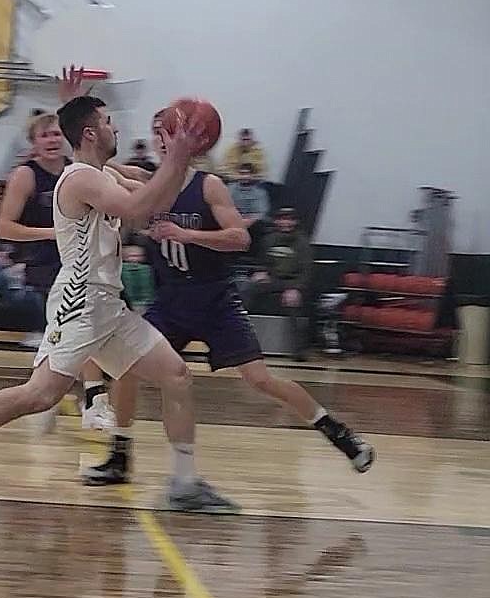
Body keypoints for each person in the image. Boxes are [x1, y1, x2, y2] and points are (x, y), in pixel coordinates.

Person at [0, 94, 239, 514]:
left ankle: (185, 483)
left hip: (108, 304)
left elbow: (156, 200)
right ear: (90, 132)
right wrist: (177, 154)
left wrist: (179, 158)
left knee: (176, 375)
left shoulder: (104, 174)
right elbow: (139, 205)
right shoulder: (80, 178)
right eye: (108, 121)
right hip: (79, 301)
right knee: (40, 395)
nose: (116, 128)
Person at [83, 112, 374, 486]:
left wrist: (188, 236)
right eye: (155, 134)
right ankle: (120, 456)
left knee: (260, 379)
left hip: (214, 299)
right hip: (171, 300)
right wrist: (77, 115)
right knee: (126, 368)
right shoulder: (146, 181)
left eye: (166, 134)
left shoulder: (209, 186)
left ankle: (339, 433)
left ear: (188, 140)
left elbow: (241, 238)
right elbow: (96, 165)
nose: (158, 141)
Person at [0, 109, 114, 429]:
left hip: (81, 261)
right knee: (83, 324)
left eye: (55, 134)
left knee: (77, 334)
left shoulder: (76, 171)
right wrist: (50, 232)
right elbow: (4, 227)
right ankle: (92, 399)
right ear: (33, 143)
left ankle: (52, 396)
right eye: (43, 135)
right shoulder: (26, 175)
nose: (51, 140)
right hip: (44, 262)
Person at [237, 206, 313, 361]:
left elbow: (306, 271)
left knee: (293, 306)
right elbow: (262, 262)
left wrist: (295, 288)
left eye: (289, 219)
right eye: (282, 219)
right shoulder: (268, 240)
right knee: (245, 288)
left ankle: (298, 351)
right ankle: (238, 339)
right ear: (277, 221)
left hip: (291, 282)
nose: (285, 223)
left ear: (295, 222)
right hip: (272, 280)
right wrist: (261, 272)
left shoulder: (303, 243)